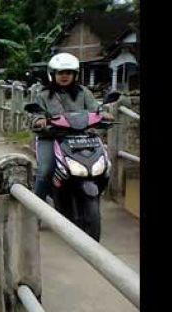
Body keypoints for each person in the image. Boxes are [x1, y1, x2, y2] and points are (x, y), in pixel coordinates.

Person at [29, 52, 114, 202]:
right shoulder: (43, 95)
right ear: (53, 74)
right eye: (60, 73)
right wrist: (39, 120)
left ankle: (95, 197)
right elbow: (36, 114)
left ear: (75, 75)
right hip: (52, 137)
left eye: (69, 73)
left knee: (104, 168)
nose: (64, 76)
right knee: (45, 171)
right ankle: (36, 210)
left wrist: (104, 114)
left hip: (82, 138)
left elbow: (95, 109)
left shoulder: (84, 92)